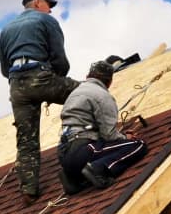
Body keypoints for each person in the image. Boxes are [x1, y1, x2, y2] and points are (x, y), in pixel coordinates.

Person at [0, 0, 78, 204]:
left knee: (26, 140)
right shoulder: (44, 20)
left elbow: (4, 68)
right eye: (48, 4)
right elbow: (59, 57)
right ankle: (95, 140)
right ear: (36, 3)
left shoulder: (6, 29)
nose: (50, 9)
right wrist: (56, 81)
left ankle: (28, 190)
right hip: (40, 75)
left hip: (16, 86)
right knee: (84, 92)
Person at [56, 59, 147, 195]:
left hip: (64, 154)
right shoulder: (102, 96)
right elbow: (109, 135)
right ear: (109, 82)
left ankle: (73, 177)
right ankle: (98, 169)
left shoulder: (74, 93)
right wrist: (124, 137)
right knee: (138, 145)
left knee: (99, 148)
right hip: (84, 149)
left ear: (87, 77)